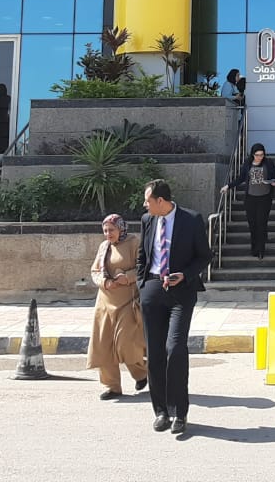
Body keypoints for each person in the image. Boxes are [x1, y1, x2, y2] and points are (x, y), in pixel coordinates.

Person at [136, 179, 210, 435]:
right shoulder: (148, 220)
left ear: (160, 201)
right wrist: (142, 284)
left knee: (175, 349)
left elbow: (204, 256)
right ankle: (161, 411)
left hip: (181, 291)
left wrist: (185, 275)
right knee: (155, 353)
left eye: (148, 200)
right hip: (153, 288)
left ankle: (180, 411)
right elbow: (142, 255)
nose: (144, 204)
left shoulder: (191, 219)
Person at [87, 214, 148, 401]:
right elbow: (95, 271)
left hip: (127, 302)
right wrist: (104, 282)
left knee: (125, 344)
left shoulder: (134, 243)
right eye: (105, 230)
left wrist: (127, 278)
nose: (108, 234)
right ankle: (112, 386)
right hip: (105, 302)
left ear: (121, 229)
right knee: (103, 345)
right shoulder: (104, 247)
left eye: (111, 230)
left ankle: (142, 374)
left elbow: (143, 268)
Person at [221, 142, 275, 260]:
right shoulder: (247, 164)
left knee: (261, 223)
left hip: (264, 198)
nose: (260, 157)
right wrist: (228, 186)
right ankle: (254, 248)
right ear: (253, 154)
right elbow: (241, 178)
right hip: (250, 198)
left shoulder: (268, 163)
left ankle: (261, 250)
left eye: (262, 155)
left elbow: (274, 177)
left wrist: (274, 182)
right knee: (253, 225)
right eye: (257, 155)